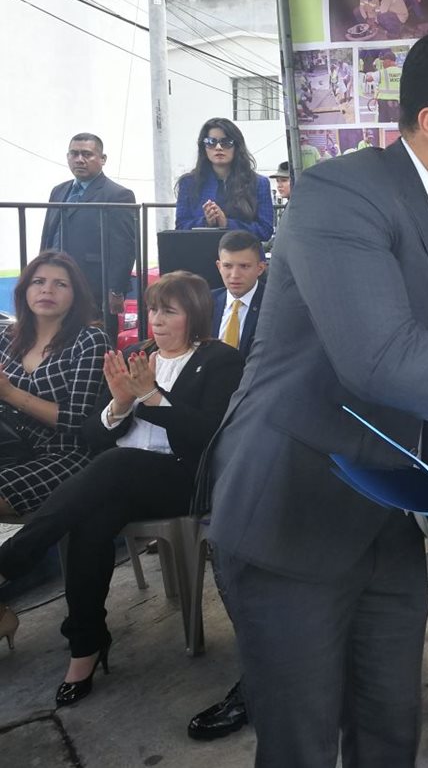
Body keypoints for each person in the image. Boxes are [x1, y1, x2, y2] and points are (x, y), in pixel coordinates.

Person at [202, 29, 428, 768]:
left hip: (387, 524)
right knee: (301, 743)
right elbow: (379, 357)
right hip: (292, 517)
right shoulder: (339, 193)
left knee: (388, 735)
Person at [0, 271, 243, 705]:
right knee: (90, 522)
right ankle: (86, 645)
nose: (157, 320)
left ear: (196, 314)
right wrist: (119, 403)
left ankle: (15, 557)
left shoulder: (220, 360)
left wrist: (151, 396)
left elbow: (208, 436)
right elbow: (92, 435)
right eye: (152, 309)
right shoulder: (134, 353)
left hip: (181, 478)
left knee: (117, 463)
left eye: (169, 311)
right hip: (120, 479)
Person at [0, 252, 107, 519]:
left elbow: (76, 420)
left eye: (61, 284)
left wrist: (10, 393)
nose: (47, 290)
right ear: (25, 290)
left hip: (66, 453)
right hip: (10, 447)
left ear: (75, 295)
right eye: (38, 282)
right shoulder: (6, 337)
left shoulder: (90, 340)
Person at [40, 133, 137, 343]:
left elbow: (125, 246)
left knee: (94, 345)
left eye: (87, 154)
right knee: (54, 342)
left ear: (102, 159)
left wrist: (116, 289)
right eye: (74, 154)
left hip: (94, 287)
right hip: (55, 283)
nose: (79, 159)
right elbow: (49, 234)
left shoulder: (117, 195)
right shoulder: (59, 191)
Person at [175, 119, 274, 242]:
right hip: (200, 253)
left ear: (237, 146)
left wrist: (227, 224)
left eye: (226, 142)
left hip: (243, 257)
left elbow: (265, 231)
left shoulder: (259, 183)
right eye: (211, 142)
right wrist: (206, 222)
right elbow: (180, 227)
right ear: (203, 147)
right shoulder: (188, 183)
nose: (218, 147)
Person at [211, 230, 267, 359]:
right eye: (228, 266)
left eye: (244, 266)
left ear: (260, 268)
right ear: (219, 267)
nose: (235, 275)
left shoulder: (273, 305)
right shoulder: (206, 302)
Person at [375, 51, 402, 124]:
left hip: (384, 102)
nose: (382, 63)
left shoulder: (382, 72)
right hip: (399, 102)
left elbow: (369, 78)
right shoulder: (402, 71)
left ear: (389, 61)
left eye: (384, 61)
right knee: (399, 125)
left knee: (383, 125)